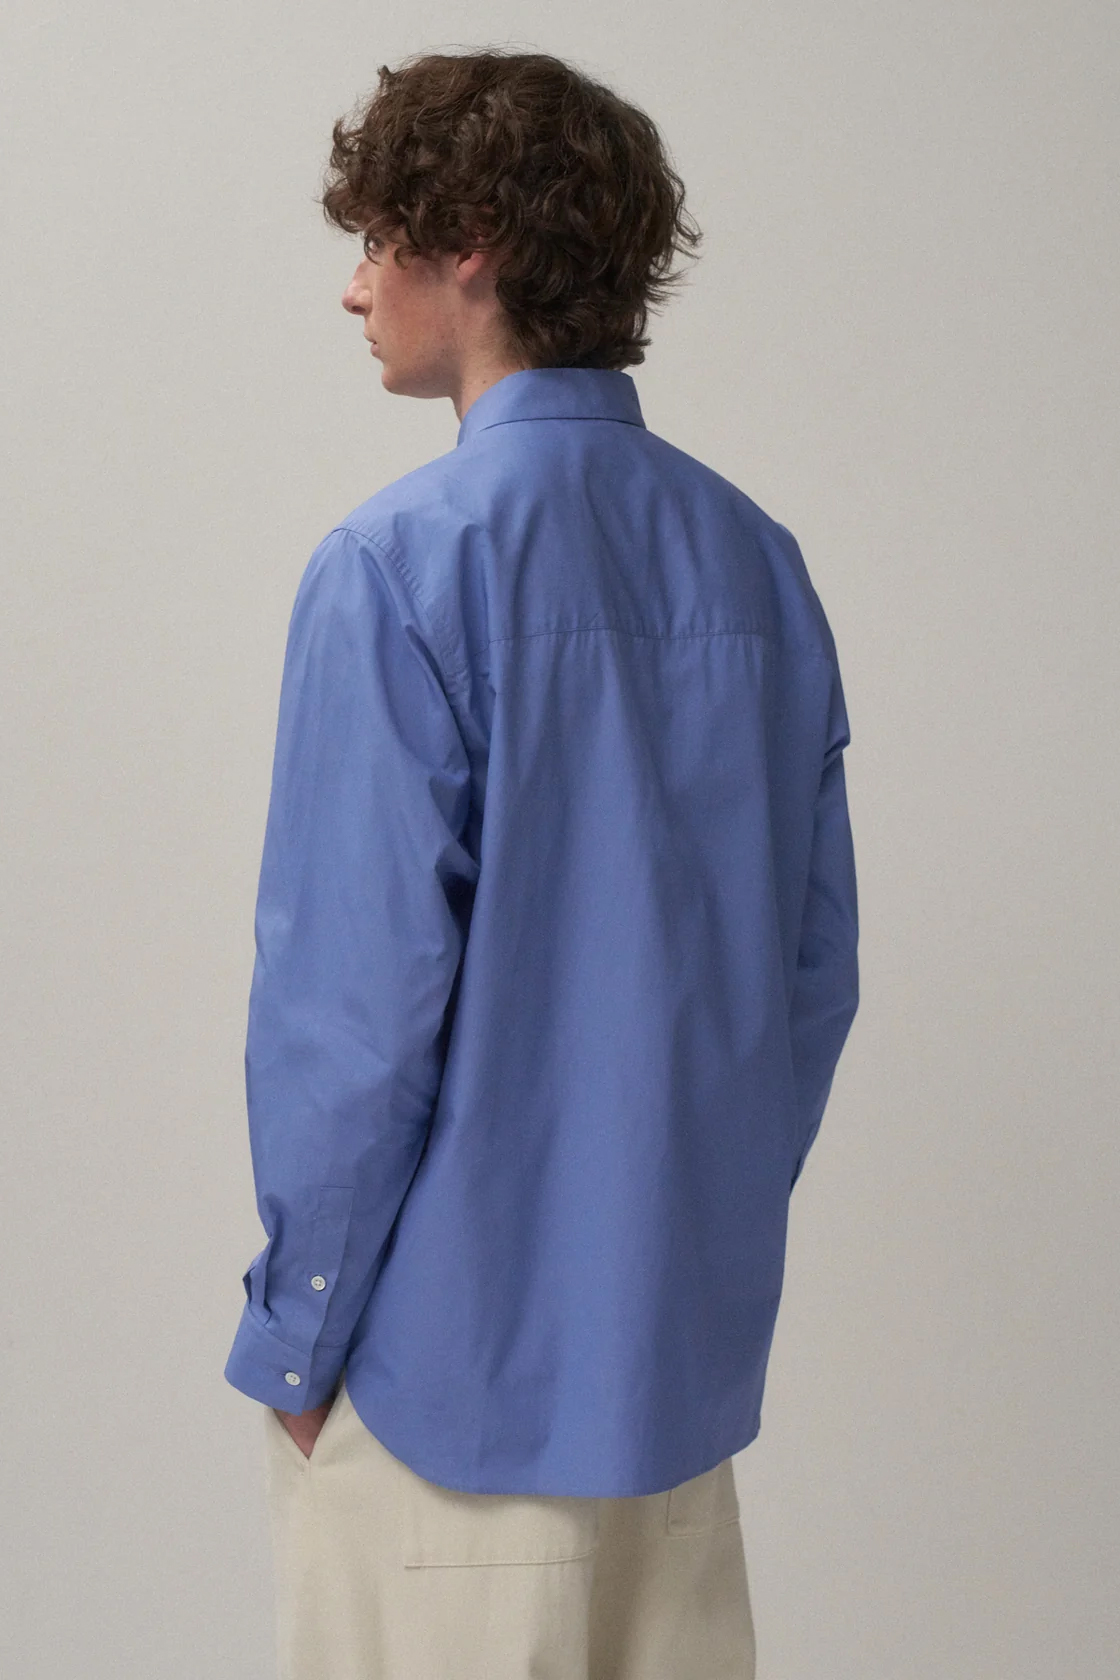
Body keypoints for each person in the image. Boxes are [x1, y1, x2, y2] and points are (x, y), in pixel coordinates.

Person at [224, 46, 859, 1680]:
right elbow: (807, 983)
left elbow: (351, 1020)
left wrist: (298, 1334)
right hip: (670, 1404)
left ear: (473, 245)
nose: (353, 288)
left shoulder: (394, 569)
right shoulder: (759, 564)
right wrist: (673, 1238)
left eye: (378, 240)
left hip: (439, 1406)